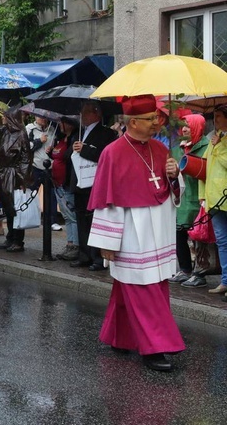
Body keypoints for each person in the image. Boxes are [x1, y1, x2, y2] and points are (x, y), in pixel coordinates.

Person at [87, 94, 185, 372]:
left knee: (135, 285)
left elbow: (170, 193)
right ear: (132, 122)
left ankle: (121, 336)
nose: (156, 123)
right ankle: (156, 346)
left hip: (159, 231)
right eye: (150, 119)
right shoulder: (112, 152)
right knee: (142, 288)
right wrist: (107, 242)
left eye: (156, 118)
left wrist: (174, 175)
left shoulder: (161, 149)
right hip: (131, 233)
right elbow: (107, 199)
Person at [68, 101, 117, 270]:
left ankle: (97, 257)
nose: (82, 116)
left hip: (94, 183)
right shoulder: (79, 133)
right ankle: (84, 255)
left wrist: (86, 149)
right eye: (81, 113)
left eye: (85, 112)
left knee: (94, 221)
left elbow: (104, 155)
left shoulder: (107, 133)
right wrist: (73, 147)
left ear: (96, 113)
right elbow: (70, 155)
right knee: (81, 219)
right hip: (79, 183)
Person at [170, 114, 209, 286]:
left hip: (198, 197)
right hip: (181, 199)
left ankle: (199, 273)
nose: (184, 129)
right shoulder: (177, 148)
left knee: (199, 236)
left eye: (188, 126)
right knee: (179, 234)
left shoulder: (206, 147)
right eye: (182, 126)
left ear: (198, 127)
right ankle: (184, 269)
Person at [0, 107, 33, 253]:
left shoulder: (21, 134)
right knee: (8, 208)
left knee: (16, 208)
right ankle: (10, 237)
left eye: (5, 116)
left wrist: (23, 179)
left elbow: (25, 158)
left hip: (14, 174)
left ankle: (18, 240)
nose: (3, 118)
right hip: (3, 173)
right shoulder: (4, 131)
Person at [202, 104, 227, 297]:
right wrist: (202, 196)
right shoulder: (214, 140)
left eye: (219, 116)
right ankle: (225, 281)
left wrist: (221, 145)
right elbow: (204, 168)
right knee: (222, 241)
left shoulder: (220, 142)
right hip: (215, 199)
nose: (215, 119)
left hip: (225, 196)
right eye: (214, 116)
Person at [52, 116, 80, 261]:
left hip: (67, 181)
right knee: (66, 216)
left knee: (71, 215)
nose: (59, 124)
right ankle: (70, 243)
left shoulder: (74, 138)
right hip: (58, 183)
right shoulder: (61, 138)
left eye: (62, 122)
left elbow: (68, 155)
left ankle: (75, 245)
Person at [26, 115, 61, 231]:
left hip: (50, 166)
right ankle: (29, 217)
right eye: (40, 116)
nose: (43, 119)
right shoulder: (30, 129)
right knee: (31, 192)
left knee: (51, 194)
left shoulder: (52, 130)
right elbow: (25, 146)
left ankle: (52, 220)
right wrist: (39, 141)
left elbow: (57, 145)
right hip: (35, 166)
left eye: (45, 117)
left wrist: (52, 149)